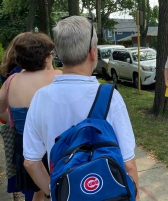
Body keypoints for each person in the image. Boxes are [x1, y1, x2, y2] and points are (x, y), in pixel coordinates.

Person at [22, 16, 139, 201]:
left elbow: (30, 162)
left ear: (58, 53)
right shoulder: (110, 97)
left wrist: (53, 192)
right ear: (93, 53)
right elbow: (129, 165)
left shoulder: (40, 98)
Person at [0, 32, 62, 201]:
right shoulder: (57, 76)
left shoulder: (11, 80)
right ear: (45, 56)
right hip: (54, 146)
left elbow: (1, 110)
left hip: (25, 148)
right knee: (61, 192)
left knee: (37, 194)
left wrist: (16, 121)